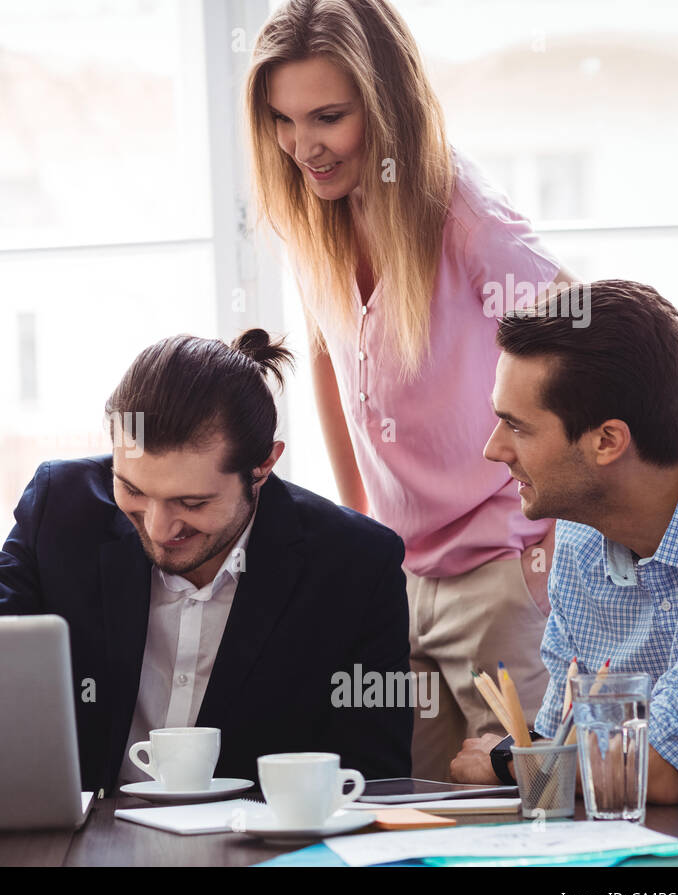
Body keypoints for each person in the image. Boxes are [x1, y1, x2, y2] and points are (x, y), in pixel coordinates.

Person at [244, 0, 581, 779]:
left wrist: (555, 543)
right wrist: (363, 529)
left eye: (328, 116)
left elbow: (588, 349)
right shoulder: (317, 209)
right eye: (284, 120)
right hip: (402, 575)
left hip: (499, 571)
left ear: (386, 103)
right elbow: (328, 360)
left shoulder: (465, 215)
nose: (304, 146)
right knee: (404, 807)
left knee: (528, 804)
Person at [0, 330, 412, 794]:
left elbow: (375, 775)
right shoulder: (62, 508)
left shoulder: (356, 566)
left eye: (190, 502)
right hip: (86, 842)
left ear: (263, 467)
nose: (158, 528)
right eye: (133, 491)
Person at [451, 280, 678, 803]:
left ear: (607, 441)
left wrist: (508, 762)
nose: (494, 450)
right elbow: (563, 739)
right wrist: (540, 756)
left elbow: (661, 764)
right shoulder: (583, 534)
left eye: (516, 427)